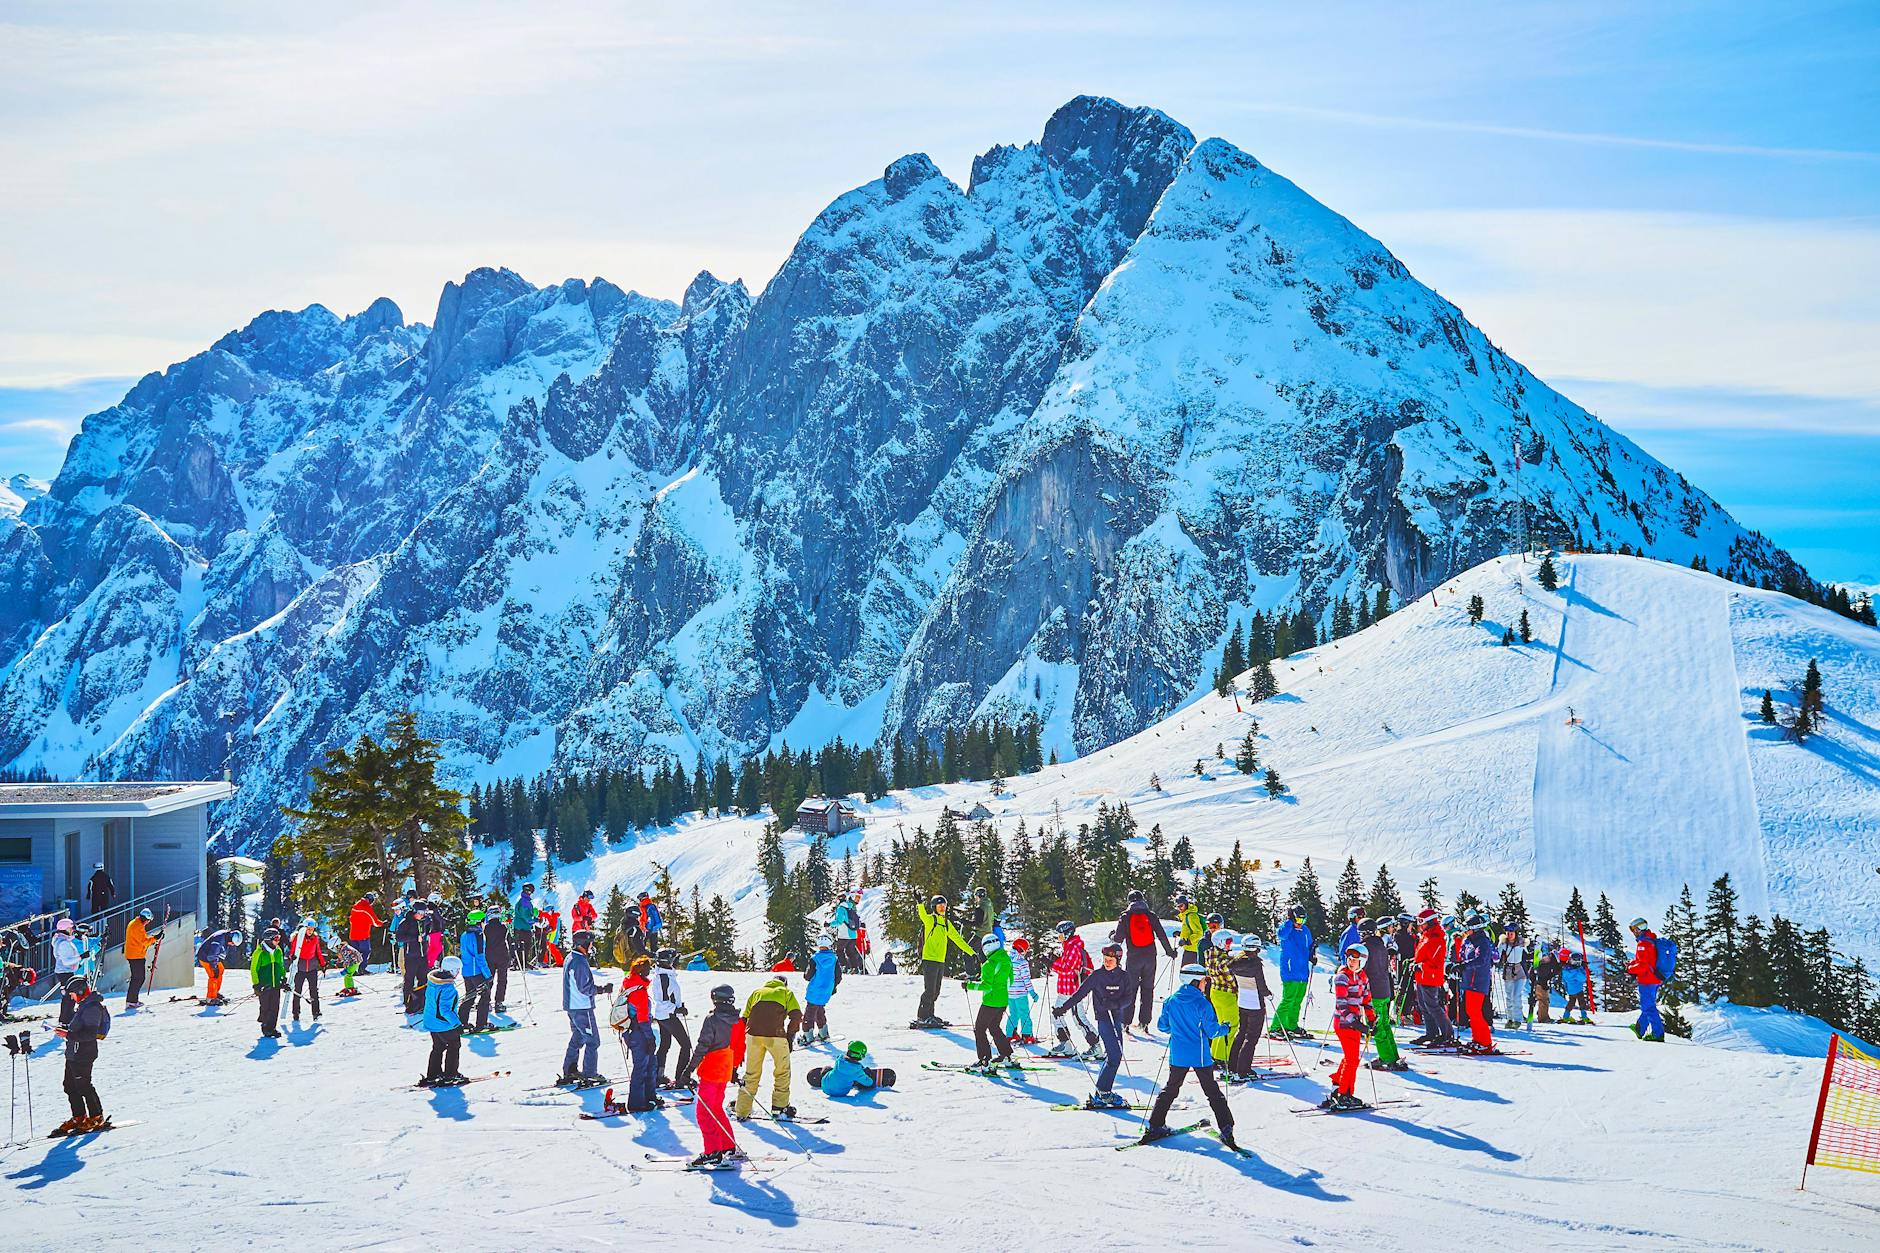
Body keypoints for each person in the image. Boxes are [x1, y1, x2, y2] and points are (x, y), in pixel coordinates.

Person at [1140, 963, 1237, 1149]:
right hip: (1200, 1055)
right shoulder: (1202, 1003)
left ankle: (1155, 1125)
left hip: (1178, 1054)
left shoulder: (1171, 1001)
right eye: (1204, 980)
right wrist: (1225, 1028)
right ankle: (1226, 1128)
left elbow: (1163, 1026)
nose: (1205, 984)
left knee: (1171, 1088)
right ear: (1194, 981)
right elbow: (1212, 1031)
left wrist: (1179, 1028)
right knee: (1212, 1092)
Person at [1054, 942, 1133, 1107]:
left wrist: (1115, 1004)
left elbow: (1128, 999)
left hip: (1116, 1018)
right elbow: (1079, 994)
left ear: (1118, 960)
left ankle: (1101, 1093)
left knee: (1114, 1056)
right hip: (1104, 1019)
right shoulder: (1097, 976)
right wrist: (1063, 1008)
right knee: (1114, 1056)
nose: (1107, 962)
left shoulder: (1124, 976)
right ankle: (1103, 1093)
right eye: (1105, 959)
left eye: (1111, 960)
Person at [690, 984, 746, 1169]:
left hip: (712, 1069)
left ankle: (712, 1152)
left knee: (703, 1113)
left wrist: (688, 1070)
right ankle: (727, 1146)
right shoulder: (737, 1021)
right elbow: (739, 1047)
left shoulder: (712, 1019)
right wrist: (733, 1070)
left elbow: (702, 1046)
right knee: (715, 1109)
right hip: (725, 1069)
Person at [735, 975, 802, 1120]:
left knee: (751, 1073)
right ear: (785, 983)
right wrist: (790, 1036)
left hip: (753, 1036)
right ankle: (779, 1107)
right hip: (775, 1036)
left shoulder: (757, 992)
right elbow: (796, 1015)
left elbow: (744, 1018)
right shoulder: (786, 992)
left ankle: (742, 1110)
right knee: (782, 1071)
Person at [52, 974, 111, 1135]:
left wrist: (68, 1035)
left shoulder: (93, 1008)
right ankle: (79, 1117)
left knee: (84, 1086)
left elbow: (90, 1034)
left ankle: (97, 1116)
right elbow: (78, 1028)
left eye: (72, 994)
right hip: (73, 1052)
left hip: (84, 1054)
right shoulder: (84, 1005)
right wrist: (66, 1031)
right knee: (69, 1085)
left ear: (80, 991)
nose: (71, 998)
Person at [1322, 942, 1376, 1110]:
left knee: (1350, 1058)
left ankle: (1337, 1088)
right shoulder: (1342, 977)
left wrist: (1372, 1020)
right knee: (1352, 1060)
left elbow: (1367, 1000)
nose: (1351, 962)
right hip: (1344, 1024)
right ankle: (1344, 1095)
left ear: (1363, 961)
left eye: (1355, 959)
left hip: (1354, 1024)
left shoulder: (1363, 977)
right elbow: (1342, 1005)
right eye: (1349, 958)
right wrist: (1357, 1024)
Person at [1112, 890, 1176, 1030]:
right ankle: (1144, 1022)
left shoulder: (1126, 916)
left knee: (1130, 989)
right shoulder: (1151, 915)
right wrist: (1170, 952)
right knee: (1147, 989)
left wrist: (1112, 936)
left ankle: (1125, 1022)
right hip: (1150, 957)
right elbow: (1161, 935)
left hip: (1133, 958)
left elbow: (1118, 938)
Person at [560, 930, 613, 1085]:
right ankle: (590, 1073)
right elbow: (584, 987)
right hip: (581, 1007)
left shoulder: (571, 957)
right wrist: (602, 989)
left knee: (578, 1037)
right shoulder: (579, 962)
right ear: (584, 943)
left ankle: (570, 1069)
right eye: (590, 943)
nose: (591, 946)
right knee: (592, 1041)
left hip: (572, 1006)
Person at [913, 893, 971, 1026]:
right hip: (929, 959)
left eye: (944, 906)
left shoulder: (946, 923)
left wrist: (971, 953)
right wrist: (920, 903)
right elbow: (922, 915)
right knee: (929, 990)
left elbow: (958, 939)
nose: (942, 908)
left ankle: (930, 1015)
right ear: (934, 907)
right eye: (939, 906)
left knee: (936, 991)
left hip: (940, 960)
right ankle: (922, 1017)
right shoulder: (930, 920)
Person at [1046, 921, 1101, 1060]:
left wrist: (1051, 964)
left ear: (1067, 934)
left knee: (1079, 1018)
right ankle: (1066, 1045)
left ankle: (1096, 1047)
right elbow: (1064, 964)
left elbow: (1067, 969)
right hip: (1065, 990)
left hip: (1073, 990)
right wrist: (1055, 960)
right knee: (1056, 1016)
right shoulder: (1068, 946)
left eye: (1060, 935)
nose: (1059, 938)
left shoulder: (1074, 948)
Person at [612, 954, 661, 1111]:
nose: (650, 972)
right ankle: (637, 1103)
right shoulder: (639, 990)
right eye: (648, 969)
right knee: (642, 1067)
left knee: (650, 1064)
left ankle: (649, 1097)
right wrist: (650, 1038)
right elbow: (642, 1018)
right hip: (638, 1033)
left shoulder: (629, 983)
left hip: (631, 1031)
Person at [1225, 932, 1274, 1080]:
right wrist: (1268, 994)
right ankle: (1243, 1070)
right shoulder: (1255, 964)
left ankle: (1232, 1066)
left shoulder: (1235, 962)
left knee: (1241, 1033)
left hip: (1242, 1002)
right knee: (1251, 1037)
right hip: (1255, 1004)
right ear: (1256, 948)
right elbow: (1261, 985)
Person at [964, 933, 1014, 1071]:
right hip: (1003, 1001)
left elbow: (986, 986)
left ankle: (984, 1060)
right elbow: (1011, 980)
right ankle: (1007, 1055)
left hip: (990, 1002)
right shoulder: (1007, 960)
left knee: (979, 1029)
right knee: (994, 1027)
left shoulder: (989, 964)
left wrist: (969, 985)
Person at [1361, 919, 1405, 1071]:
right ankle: (1391, 1055)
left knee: (1377, 1026)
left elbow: (1362, 969)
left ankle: (1388, 1058)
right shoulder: (1380, 944)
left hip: (1374, 992)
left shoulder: (1365, 947)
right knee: (1384, 1025)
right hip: (1384, 990)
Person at [419, 955, 467, 1087]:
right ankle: (450, 1075)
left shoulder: (433, 982)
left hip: (431, 1022)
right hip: (443, 1024)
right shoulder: (447, 988)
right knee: (454, 1046)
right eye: (457, 970)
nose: (458, 973)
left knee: (438, 1047)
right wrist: (457, 1024)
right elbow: (445, 1010)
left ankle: (433, 1075)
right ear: (452, 970)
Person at [1411, 909, 1456, 1047]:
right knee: (1424, 1006)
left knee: (1433, 1007)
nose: (1419, 925)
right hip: (1422, 977)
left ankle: (1447, 1034)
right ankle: (1431, 1033)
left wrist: (1420, 966)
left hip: (1431, 977)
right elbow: (1423, 955)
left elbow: (1435, 961)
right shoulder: (1426, 936)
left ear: (1430, 922)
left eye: (1421, 922)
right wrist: (1414, 961)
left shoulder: (1436, 938)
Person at [651, 947, 693, 1088]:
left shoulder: (665, 975)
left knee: (665, 1044)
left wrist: (678, 1006)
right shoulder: (664, 978)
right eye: (674, 959)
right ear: (668, 961)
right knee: (685, 1045)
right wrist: (676, 1009)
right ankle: (681, 1078)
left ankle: (658, 1076)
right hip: (667, 1015)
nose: (676, 961)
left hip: (664, 1015)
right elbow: (662, 1001)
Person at [1273, 906, 1316, 1040]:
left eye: (1303, 920)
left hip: (1303, 972)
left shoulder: (1305, 930)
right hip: (1290, 970)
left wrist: (1312, 954)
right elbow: (1281, 935)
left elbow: (1309, 945)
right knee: (1288, 999)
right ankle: (1275, 1027)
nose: (1300, 923)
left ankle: (1291, 1025)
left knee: (1297, 1000)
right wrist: (1289, 922)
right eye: (1298, 920)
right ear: (1292, 918)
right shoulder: (1287, 929)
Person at [1457, 911, 1496, 1053]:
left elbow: (1481, 960)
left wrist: (1464, 965)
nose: (1465, 931)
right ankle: (1477, 1039)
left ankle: (1485, 1042)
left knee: (1475, 1012)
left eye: (1468, 928)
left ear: (1475, 928)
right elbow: (1463, 956)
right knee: (1471, 1011)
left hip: (1478, 981)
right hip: (1469, 980)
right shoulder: (1469, 941)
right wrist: (1457, 966)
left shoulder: (1483, 942)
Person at [1202, 928, 1240, 1064]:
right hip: (1226, 994)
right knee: (1231, 1026)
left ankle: (1215, 1053)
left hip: (1215, 992)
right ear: (1220, 942)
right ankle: (1223, 1057)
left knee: (1221, 1024)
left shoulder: (1210, 953)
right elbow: (1231, 980)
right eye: (1228, 942)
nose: (1230, 944)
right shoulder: (1224, 961)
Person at [1627, 918, 1668, 1041]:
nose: (1633, 932)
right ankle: (1640, 1028)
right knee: (1648, 1005)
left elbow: (1643, 965)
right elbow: (1647, 960)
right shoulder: (1650, 940)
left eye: (1633, 929)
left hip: (1647, 980)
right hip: (1654, 978)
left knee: (1648, 1007)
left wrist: (1630, 969)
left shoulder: (1643, 943)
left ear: (1639, 928)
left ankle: (1657, 1034)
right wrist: (1633, 963)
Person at [803, 933, 841, 1043]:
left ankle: (807, 1036)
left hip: (815, 990)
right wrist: (833, 987)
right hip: (827, 990)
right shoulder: (834, 959)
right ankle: (823, 1033)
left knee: (809, 1013)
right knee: (819, 1009)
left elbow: (808, 976)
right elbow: (838, 976)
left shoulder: (815, 959)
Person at [344, 891, 384, 994]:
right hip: (363, 935)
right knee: (365, 952)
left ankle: (353, 970)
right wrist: (382, 924)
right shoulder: (366, 907)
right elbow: (375, 921)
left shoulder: (355, 906)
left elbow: (351, 919)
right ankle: (361, 969)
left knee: (354, 954)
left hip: (353, 935)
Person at [459, 909, 493, 1031]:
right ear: (479, 922)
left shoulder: (464, 934)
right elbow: (480, 957)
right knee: (485, 996)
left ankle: (461, 1023)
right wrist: (488, 975)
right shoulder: (478, 935)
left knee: (470, 996)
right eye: (483, 921)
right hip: (476, 972)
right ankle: (481, 1024)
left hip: (466, 971)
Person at [252, 927, 287, 1038]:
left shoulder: (278, 951)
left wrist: (283, 978)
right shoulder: (260, 952)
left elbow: (281, 966)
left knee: (275, 1007)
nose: (278, 941)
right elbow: (254, 969)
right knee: (265, 1006)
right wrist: (256, 984)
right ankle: (265, 1027)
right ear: (268, 939)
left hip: (275, 984)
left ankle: (272, 1028)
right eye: (276, 938)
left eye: (279, 938)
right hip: (264, 985)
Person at [288, 917, 325, 1023]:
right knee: (297, 990)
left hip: (312, 968)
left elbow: (318, 951)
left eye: (312, 929)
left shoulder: (315, 938)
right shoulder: (298, 937)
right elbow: (293, 950)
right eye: (308, 929)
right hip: (300, 968)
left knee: (314, 991)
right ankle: (296, 1012)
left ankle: (316, 1012)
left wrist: (323, 963)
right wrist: (292, 956)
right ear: (304, 928)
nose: (310, 931)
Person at [819, 1040, 886, 1097]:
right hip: (840, 1093)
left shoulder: (839, 1059)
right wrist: (871, 1080)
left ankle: (830, 1078)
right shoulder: (857, 1071)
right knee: (859, 1078)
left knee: (828, 1069)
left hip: (824, 1086)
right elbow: (868, 1083)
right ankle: (857, 1081)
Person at [1004, 937, 1039, 1044]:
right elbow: (1026, 979)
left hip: (1009, 993)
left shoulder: (1006, 959)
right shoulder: (1022, 962)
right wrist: (1032, 993)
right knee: (1024, 1014)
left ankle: (1010, 1034)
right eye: (1025, 950)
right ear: (1021, 949)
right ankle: (1027, 1035)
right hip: (1020, 994)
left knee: (1013, 1014)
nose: (1025, 953)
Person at [397, 897, 430, 1010]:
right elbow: (399, 937)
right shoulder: (406, 922)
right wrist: (414, 938)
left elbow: (429, 928)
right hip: (411, 956)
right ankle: (408, 1002)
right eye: (421, 912)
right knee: (409, 979)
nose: (423, 915)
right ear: (414, 911)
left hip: (423, 955)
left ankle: (422, 1001)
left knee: (423, 979)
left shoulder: (425, 921)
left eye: (424, 912)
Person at [194, 927, 240, 1007]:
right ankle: (211, 998)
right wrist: (214, 967)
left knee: (220, 970)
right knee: (214, 976)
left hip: (212, 957)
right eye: (232, 943)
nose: (232, 945)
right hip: (205, 958)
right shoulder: (219, 940)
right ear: (231, 938)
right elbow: (211, 955)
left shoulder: (225, 936)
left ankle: (215, 992)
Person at [123, 908, 159, 1009]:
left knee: (136, 978)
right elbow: (144, 941)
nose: (148, 923)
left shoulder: (134, 923)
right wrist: (155, 938)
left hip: (134, 954)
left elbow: (141, 938)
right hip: (136, 956)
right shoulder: (138, 926)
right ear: (145, 919)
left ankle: (132, 1000)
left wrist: (153, 938)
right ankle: (132, 1001)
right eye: (148, 921)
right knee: (138, 978)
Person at [1498, 926, 1532, 1029]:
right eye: (1508, 932)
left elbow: (1527, 955)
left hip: (1519, 970)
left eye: (1511, 933)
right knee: (1509, 996)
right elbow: (1498, 955)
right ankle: (1510, 1019)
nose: (1509, 935)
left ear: (1516, 933)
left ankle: (1517, 1019)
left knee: (1516, 995)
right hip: (1508, 970)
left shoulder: (1521, 943)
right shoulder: (1503, 943)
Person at [52, 918, 81, 1026]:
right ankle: (66, 1020)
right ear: (66, 928)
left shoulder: (61, 940)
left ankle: (65, 1018)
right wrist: (81, 957)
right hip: (65, 971)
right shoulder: (63, 943)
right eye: (71, 928)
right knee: (70, 996)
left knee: (68, 996)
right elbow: (66, 961)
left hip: (65, 971)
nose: (73, 930)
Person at [483, 906, 512, 1012]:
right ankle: (499, 1002)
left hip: (489, 956)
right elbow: (509, 940)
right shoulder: (503, 927)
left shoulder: (486, 928)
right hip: (502, 956)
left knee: (489, 979)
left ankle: (486, 1002)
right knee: (502, 979)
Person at [958, 888, 991, 978]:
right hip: (988, 934)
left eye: (975, 896)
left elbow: (978, 923)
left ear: (978, 896)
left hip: (980, 934)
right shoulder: (989, 905)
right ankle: (983, 974)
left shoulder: (980, 907)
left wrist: (965, 922)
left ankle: (971, 974)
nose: (975, 898)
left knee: (968, 951)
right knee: (982, 956)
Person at [830, 891, 864, 973]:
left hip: (844, 934)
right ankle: (855, 968)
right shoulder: (851, 907)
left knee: (839, 951)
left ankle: (844, 966)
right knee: (850, 952)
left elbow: (839, 921)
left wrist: (829, 924)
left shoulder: (841, 908)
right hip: (853, 934)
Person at [1559, 949, 1593, 1023]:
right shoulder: (1576, 971)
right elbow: (1583, 978)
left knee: (1571, 1002)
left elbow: (1565, 980)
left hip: (1571, 990)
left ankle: (1566, 1016)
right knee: (1582, 1003)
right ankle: (1584, 1017)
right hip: (1578, 989)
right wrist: (1582, 968)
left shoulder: (1566, 969)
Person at [1531, 939, 1561, 1023]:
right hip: (1540, 984)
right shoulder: (1546, 965)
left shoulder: (1546, 963)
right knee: (1543, 1001)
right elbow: (1544, 975)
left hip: (1541, 983)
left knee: (1545, 1001)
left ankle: (1543, 1015)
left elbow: (1550, 975)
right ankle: (1542, 1018)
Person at [513, 884, 539, 968]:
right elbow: (526, 915)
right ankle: (521, 963)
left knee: (522, 945)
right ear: (529, 891)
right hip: (522, 927)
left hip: (521, 927)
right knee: (525, 945)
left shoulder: (524, 900)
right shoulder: (525, 901)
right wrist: (534, 920)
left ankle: (521, 962)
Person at [1175, 892, 1203, 965]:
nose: (1180, 908)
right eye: (1178, 906)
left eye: (1181, 905)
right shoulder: (1186, 915)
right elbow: (1190, 930)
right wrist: (1180, 934)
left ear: (1186, 904)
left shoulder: (1191, 916)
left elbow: (1199, 933)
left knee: (1186, 971)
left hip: (1193, 951)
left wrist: (1187, 941)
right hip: (1189, 949)